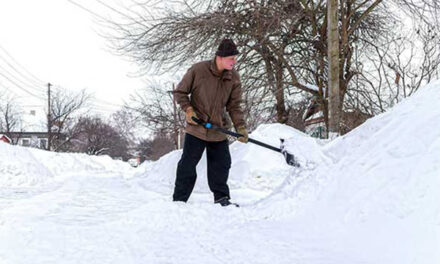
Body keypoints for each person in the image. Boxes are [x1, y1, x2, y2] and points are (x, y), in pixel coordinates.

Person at [172, 38, 248, 207]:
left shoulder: (233, 78)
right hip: (197, 128)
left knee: (222, 164)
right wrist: (189, 110)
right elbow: (180, 92)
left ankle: (222, 199)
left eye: (235, 58)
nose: (234, 62)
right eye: (231, 58)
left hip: (218, 129)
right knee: (188, 165)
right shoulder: (199, 70)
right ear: (220, 57)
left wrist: (240, 127)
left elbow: (234, 106)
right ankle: (179, 201)